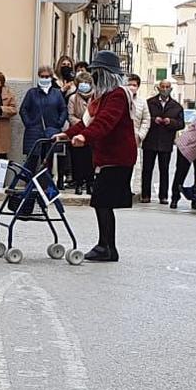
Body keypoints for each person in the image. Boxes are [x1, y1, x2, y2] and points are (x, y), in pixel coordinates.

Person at [57, 51, 135, 262]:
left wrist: (84, 137)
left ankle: (107, 247)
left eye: (96, 73)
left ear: (105, 74)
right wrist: (68, 134)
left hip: (117, 157)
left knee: (102, 201)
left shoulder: (117, 95)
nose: (93, 78)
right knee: (102, 202)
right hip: (108, 157)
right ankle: (106, 246)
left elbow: (104, 123)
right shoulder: (101, 98)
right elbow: (88, 122)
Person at [19, 64, 68, 178]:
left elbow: (63, 109)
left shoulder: (57, 93)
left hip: (52, 130)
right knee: (32, 160)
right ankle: (29, 184)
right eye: (42, 76)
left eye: (47, 76)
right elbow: (23, 109)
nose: (44, 79)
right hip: (34, 131)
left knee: (48, 160)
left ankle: (46, 185)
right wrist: (29, 123)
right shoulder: (32, 93)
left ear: (51, 77)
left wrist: (59, 123)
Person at [140, 78, 182, 204]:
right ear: (158, 88)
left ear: (171, 89)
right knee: (147, 169)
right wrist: (154, 120)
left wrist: (171, 122)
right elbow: (143, 118)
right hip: (150, 141)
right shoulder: (149, 103)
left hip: (166, 142)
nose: (165, 89)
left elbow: (181, 124)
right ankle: (145, 195)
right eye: (162, 87)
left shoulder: (177, 106)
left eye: (167, 87)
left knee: (164, 170)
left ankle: (163, 196)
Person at [66, 68, 95, 194]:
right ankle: (78, 184)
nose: (84, 85)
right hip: (77, 133)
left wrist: (90, 125)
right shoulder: (73, 98)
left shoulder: (95, 98)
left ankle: (90, 184)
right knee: (77, 160)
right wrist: (82, 124)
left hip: (92, 133)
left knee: (90, 160)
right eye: (81, 82)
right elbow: (70, 115)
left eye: (86, 82)